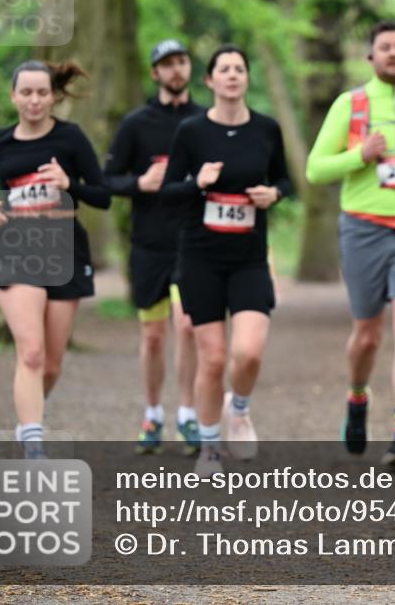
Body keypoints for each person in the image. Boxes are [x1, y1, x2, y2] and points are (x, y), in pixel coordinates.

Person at [306, 21, 395, 472]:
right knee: (368, 335)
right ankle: (358, 396)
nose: (394, 53)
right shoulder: (352, 104)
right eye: (385, 47)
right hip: (363, 229)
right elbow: (315, 169)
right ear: (371, 58)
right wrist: (358, 156)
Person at [161, 45, 292, 476]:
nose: (232, 75)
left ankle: (240, 407)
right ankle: (210, 446)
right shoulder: (192, 132)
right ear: (210, 81)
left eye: (240, 68)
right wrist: (197, 182)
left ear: (247, 78)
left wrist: (273, 194)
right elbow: (169, 193)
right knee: (213, 358)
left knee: (249, 352)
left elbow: (285, 180)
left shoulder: (267, 129)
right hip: (202, 257)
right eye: (224, 69)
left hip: (250, 257)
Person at [0, 60, 112, 458]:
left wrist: (71, 184)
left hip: (65, 254)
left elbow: (102, 195)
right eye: (26, 92)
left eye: (42, 93)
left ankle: (27, 421)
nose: (34, 100)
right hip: (17, 254)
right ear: (14, 95)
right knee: (30, 353)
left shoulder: (71, 139)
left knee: (50, 365)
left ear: (54, 96)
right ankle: (34, 445)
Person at [105, 39, 204, 456]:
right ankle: (152, 413)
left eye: (181, 62)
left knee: (187, 326)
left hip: (193, 241)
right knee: (153, 336)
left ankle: (187, 414)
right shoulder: (135, 124)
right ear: (155, 73)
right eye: (167, 64)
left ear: (190, 68)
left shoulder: (205, 120)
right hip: (148, 244)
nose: (175, 70)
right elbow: (105, 179)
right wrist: (138, 183)